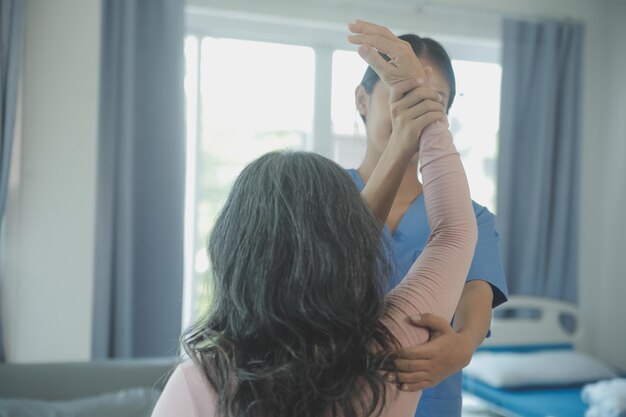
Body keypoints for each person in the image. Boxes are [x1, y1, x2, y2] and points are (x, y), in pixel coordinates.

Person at [151, 20, 476, 417]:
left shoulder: (204, 380)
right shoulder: (388, 352)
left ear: (234, 253)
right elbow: (454, 234)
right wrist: (427, 114)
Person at [348, 26, 509, 417]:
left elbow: (477, 296)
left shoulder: (471, 218)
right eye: (402, 93)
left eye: (433, 101)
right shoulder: (319, 199)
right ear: (363, 99)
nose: (415, 110)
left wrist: (463, 345)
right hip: (337, 395)